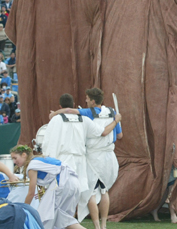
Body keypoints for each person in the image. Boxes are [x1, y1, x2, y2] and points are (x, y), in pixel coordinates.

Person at [45, 92, 122, 220]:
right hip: (109, 156)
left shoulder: (88, 113)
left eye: (87, 99)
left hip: (92, 156)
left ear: (92, 101)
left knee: (90, 191)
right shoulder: (112, 112)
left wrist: (54, 113)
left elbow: (69, 110)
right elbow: (119, 136)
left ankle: (95, 225)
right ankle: (102, 226)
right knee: (104, 190)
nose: (85, 101)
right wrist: (116, 121)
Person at [17, 145, 101, 229]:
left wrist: (24, 209)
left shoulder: (32, 166)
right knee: (59, 217)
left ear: (24, 155)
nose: (14, 162)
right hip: (73, 182)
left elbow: (31, 192)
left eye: (15, 158)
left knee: (43, 216)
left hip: (63, 183)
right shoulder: (40, 160)